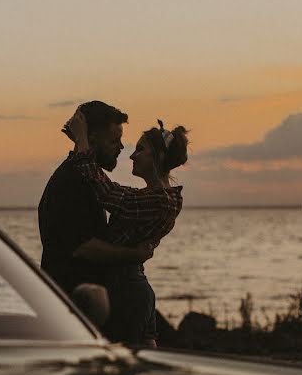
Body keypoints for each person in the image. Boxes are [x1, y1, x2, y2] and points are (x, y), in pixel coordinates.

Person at [66, 110, 188, 347]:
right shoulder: (158, 198)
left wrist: (82, 143)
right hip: (132, 286)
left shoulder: (160, 201)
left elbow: (107, 192)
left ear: (158, 157)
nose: (132, 155)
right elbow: (110, 189)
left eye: (140, 149)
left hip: (127, 290)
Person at [37, 101, 155, 300]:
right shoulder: (71, 181)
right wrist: (135, 254)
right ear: (92, 138)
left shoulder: (89, 178)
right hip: (73, 302)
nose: (121, 147)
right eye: (114, 141)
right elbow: (85, 248)